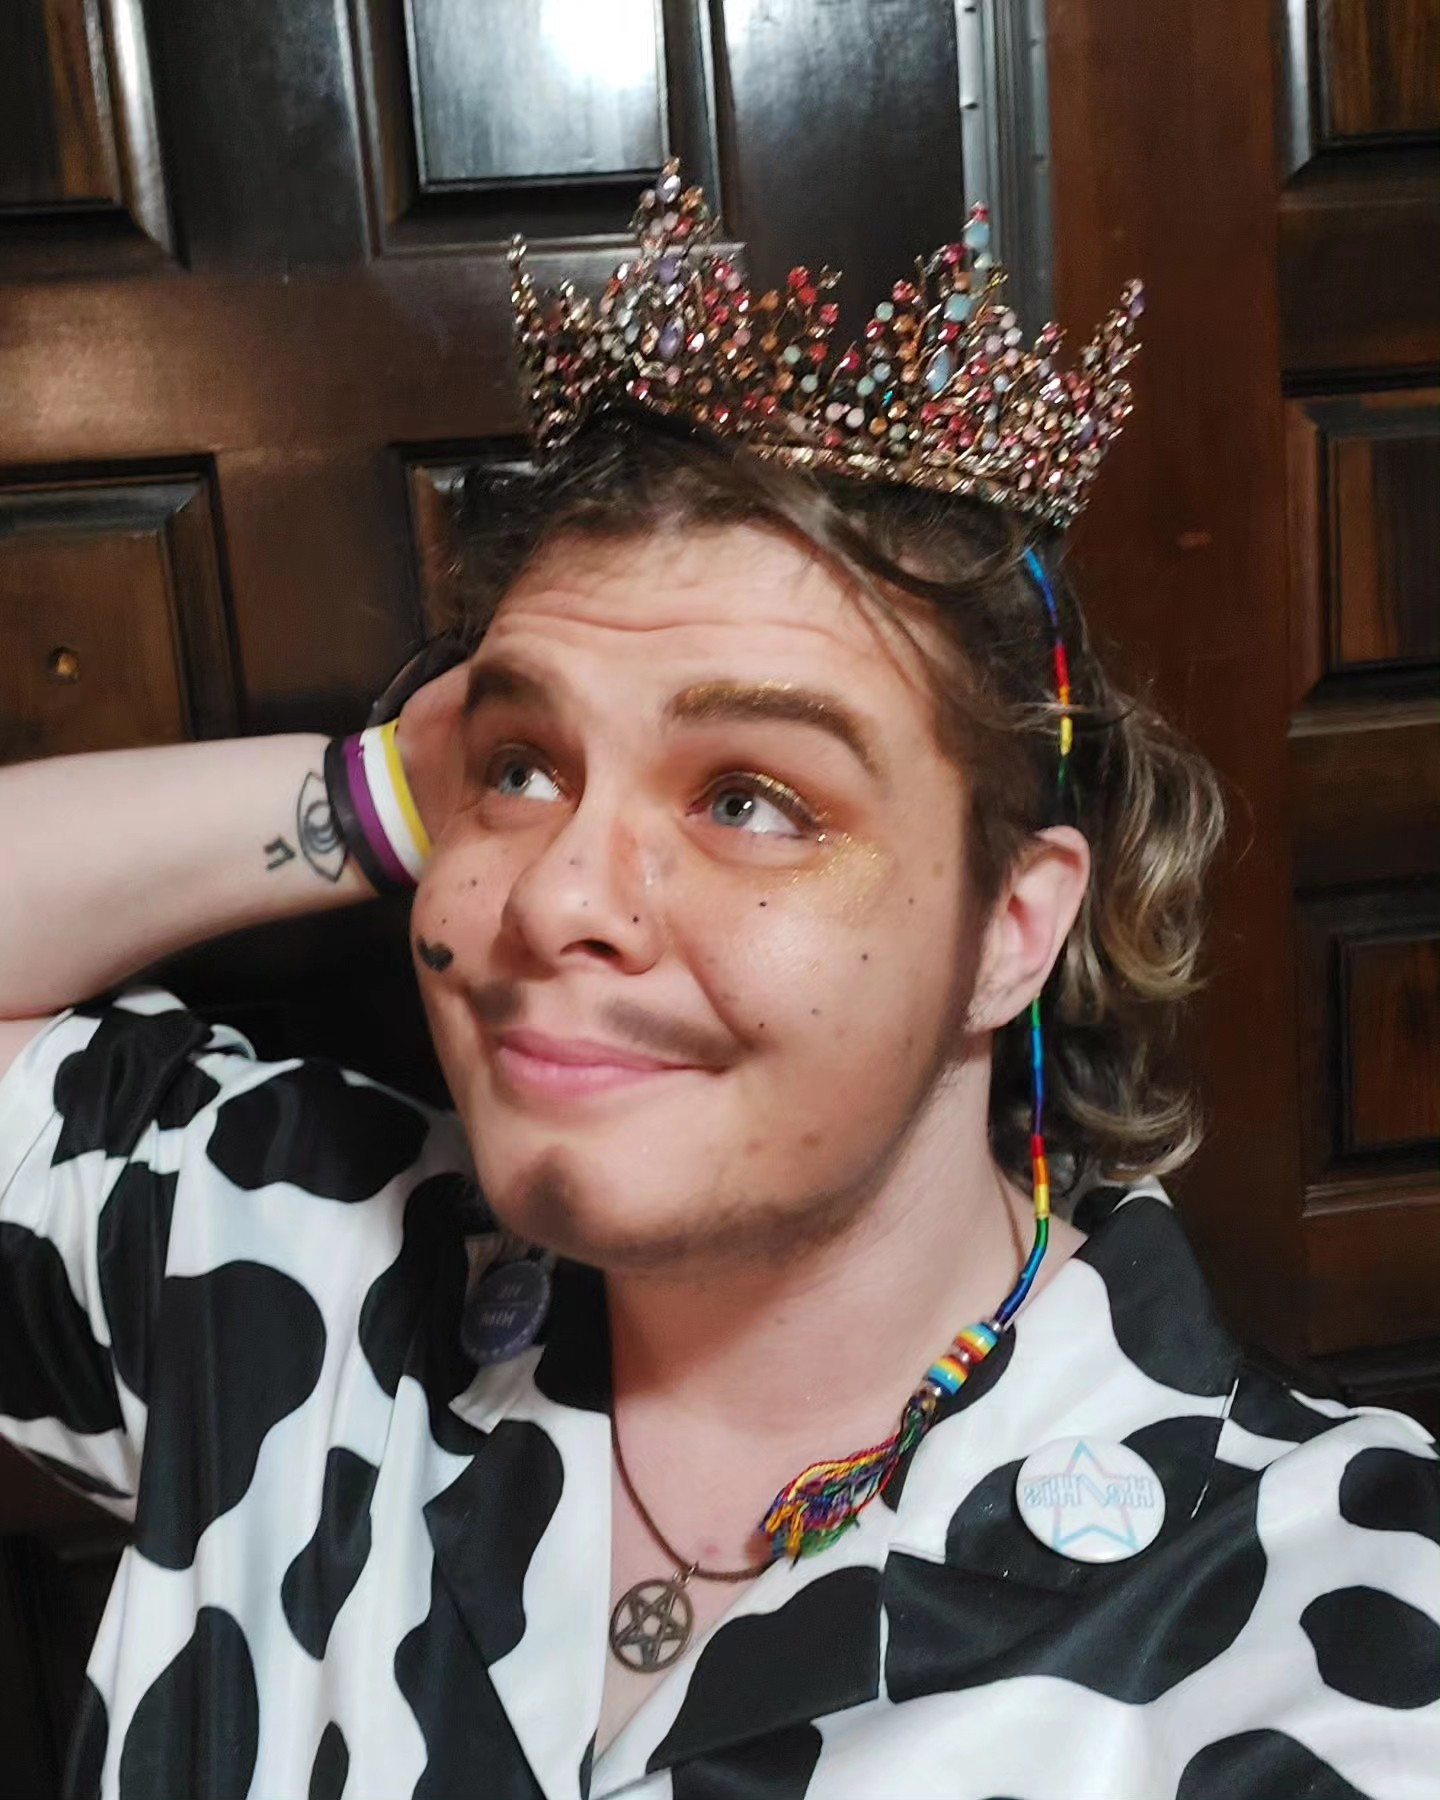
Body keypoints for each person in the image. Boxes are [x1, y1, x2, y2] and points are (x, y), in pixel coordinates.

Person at [1, 164, 1436, 1800]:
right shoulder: (277, 1267)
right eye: (525, 770)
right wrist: (384, 793)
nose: (554, 895)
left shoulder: (1342, 1625)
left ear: (1008, 933)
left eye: (753, 799)